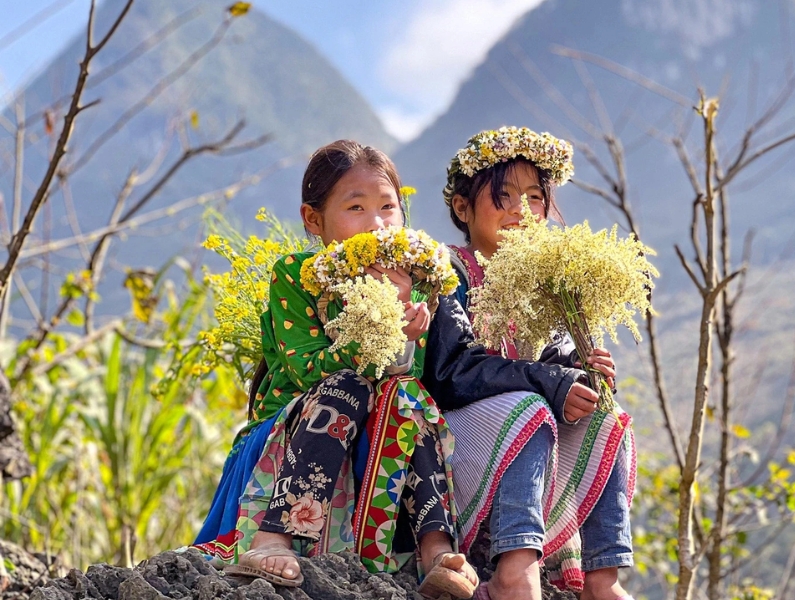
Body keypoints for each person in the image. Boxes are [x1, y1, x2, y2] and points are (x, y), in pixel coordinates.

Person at [194, 140, 592, 596]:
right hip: (300, 427)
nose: (377, 223)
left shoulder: (416, 278)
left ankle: (436, 550)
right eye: (356, 208)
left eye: (388, 207)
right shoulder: (296, 275)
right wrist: (371, 337)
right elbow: (309, 372)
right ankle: (273, 538)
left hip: (374, 429)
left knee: (410, 396)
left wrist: (408, 326)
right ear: (314, 220)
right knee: (347, 386)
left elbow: (410, 376)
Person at [428, 127, 636, 600]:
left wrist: (584, 376)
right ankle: (514, 571)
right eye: (503, 196)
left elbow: (554, 361)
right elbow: (451, 372)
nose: (522, 211)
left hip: (527, 435)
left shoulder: (544, 281)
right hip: (461, 433)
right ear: (462, 208)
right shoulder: (446, 270)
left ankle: (602, 579)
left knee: (610, 418)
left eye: (535, 198)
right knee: (530, 407)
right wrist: (551, 381)